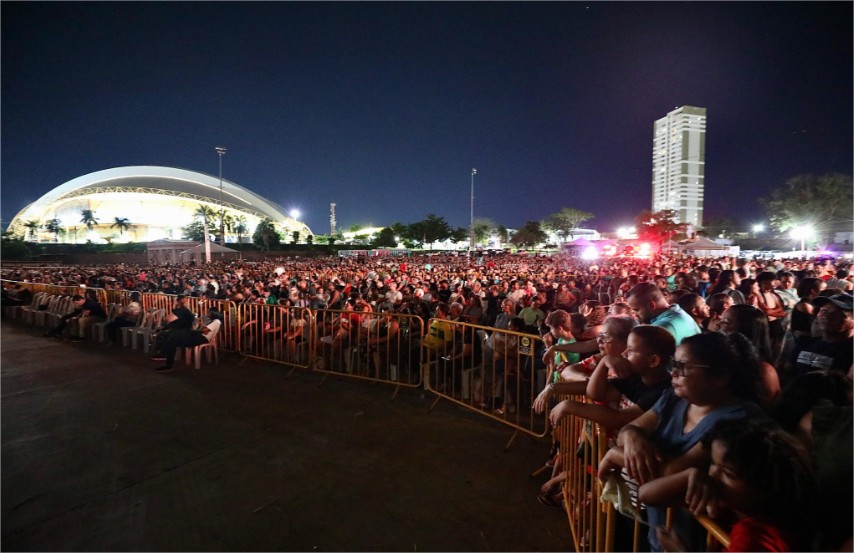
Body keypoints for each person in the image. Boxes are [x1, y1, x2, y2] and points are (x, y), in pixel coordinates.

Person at [598, 332, 765, 552]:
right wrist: (632, 437)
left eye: (683, 366)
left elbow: (668, 473)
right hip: (663, 532)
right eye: (673, 364)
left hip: (696, 542)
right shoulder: (674, 398)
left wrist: (615, 454)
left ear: (721, 376)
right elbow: (630, 430)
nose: (673, 372)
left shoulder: (738, 421)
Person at [642, 418, 816, 552]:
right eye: (712, 463)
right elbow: (647, 495)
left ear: (763, 486)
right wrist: (691, 473)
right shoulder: (728, 503)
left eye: (728, 474)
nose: (713, 475)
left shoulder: (754, 537)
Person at [717, 304, 781, 408]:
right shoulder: (721, 357)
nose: (718, 324)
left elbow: (771, 411)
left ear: (746, 329)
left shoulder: (763, 371)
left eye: (726, 322)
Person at [789, 293, 853, 380]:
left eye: (837, 313)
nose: (827, 316)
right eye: (824, 311)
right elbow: (788, 373)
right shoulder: (804, 343)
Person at [626, 282, 701, 346]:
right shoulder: (678, 312)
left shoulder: (662, 327)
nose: (635, 315)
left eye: (637, 310)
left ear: (651, 305)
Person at [152, 307, 223, 372]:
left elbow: (204, 330)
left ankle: (166, 358)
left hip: (201, 338)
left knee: (174, 339)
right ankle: (166, 358)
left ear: (213, 313)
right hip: (198, 336)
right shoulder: (210, 320)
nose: (207, 314)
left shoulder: (216, 321)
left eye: (209, 313)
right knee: (174, 337)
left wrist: (198, 328)